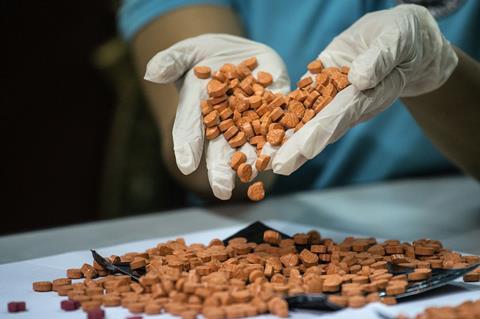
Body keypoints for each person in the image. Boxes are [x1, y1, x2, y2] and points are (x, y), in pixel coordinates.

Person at [118, 0, 480, 200]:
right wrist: (232, 126)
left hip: (459, 215)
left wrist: (442, 72)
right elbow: (206, 166)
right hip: (279, 222)